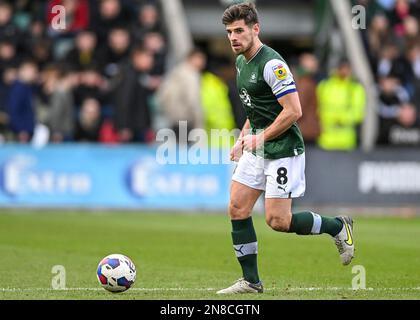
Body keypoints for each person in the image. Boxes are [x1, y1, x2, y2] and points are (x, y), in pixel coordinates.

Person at [217, 3, 355, 295]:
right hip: (258, 146)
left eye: (239, 30)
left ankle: (337, 226)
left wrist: (259, 138)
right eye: (229, 32)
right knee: (237, 207)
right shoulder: (242, 61)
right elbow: (255, 110)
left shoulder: (272, 65)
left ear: (256, 29)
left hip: (283, 149)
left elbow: (294, 111)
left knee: (278, 221)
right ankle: (251, 282)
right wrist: (243, 139)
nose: (233, 37)